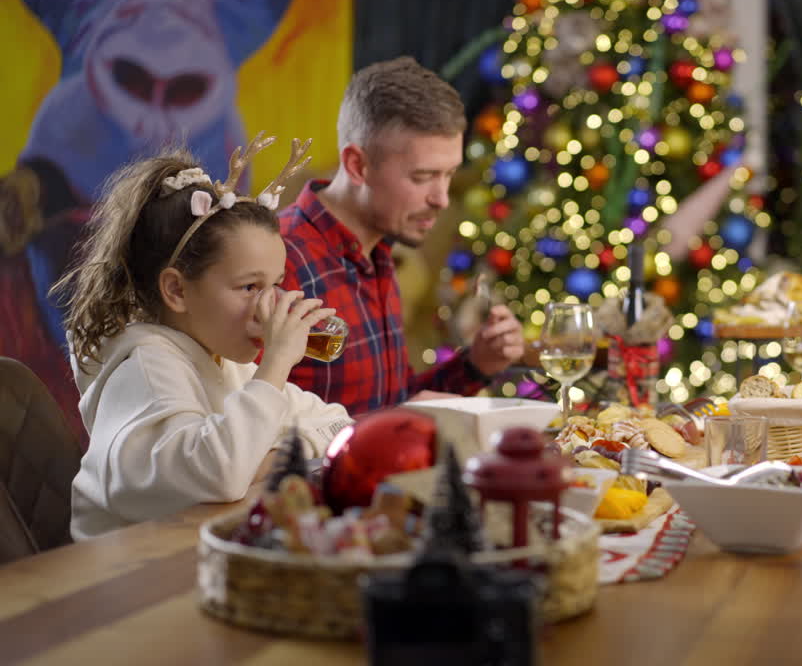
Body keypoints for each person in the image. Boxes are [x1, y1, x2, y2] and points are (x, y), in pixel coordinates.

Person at [51, 144, 352, 539]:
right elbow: (221, 475)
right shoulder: (145, 370)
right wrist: (276, 365)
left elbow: (341, 426)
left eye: (274, 285)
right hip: (121, 583)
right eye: (249, 287)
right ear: (177, 290)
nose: (270, 306)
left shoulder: (229, 363)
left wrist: (269, 455)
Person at [278, 57, 524, 415]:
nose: (441, 199)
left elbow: (392, 402)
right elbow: (249, 436)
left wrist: (475, 366)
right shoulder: (276, 263)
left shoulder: (381, 253)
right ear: (357, 165)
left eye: (448, 174)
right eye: (423, 177)